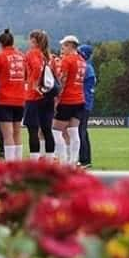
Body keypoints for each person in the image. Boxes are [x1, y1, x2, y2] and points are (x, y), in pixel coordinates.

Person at [53, 35, 87, 164]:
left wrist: (57, 99)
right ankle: (73, 161)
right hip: (80, 99)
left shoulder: (67, 60)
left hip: (67, 100)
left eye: (64, 46)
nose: (62, 48)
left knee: (55, 131)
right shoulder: (82, 61)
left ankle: (63, 160)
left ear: (70, 46)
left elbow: (63, 80)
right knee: (73, 132)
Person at [24, 30, 57, 160]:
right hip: (48, 97)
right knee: (47, 130)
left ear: (34, 41)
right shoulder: (49, 56)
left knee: (33, 130)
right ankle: (49, 160)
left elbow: (37, 68)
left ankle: (34, 163)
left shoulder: (32, 53)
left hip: (34, 96)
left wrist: (34, 85)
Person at [0, 29, 26, 161]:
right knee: (17, 133)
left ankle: (10, 164)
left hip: (5, 99)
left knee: (7, 134)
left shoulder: (0, 57)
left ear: (1, 43)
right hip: (20, 99)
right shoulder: (21, 56)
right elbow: (26, 76)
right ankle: (18, 162)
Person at [77, 44, 96, 168]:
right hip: (87, 103)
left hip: (83, 103)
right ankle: (86, 159)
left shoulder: (86, 68)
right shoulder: (89, 68)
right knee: (83, 132)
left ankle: (84, 160)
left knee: (80, 132)